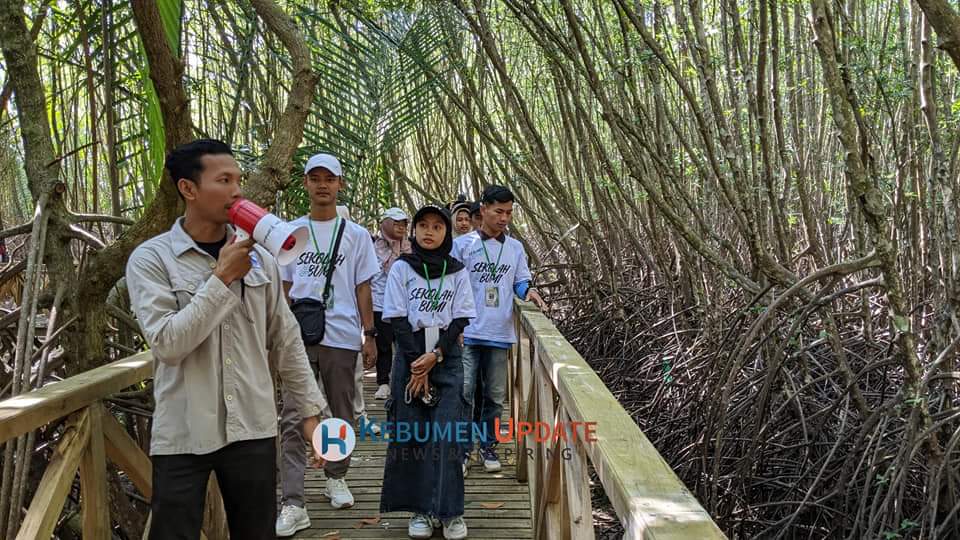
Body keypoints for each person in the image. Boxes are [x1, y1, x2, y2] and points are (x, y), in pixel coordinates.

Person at [125, 139, 326, 540]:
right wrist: (220, 280)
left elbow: (285, 339)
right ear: (189, 188)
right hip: (183, 430)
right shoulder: (152, 259)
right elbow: (167, 343)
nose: (237, 191)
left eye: (239, 180)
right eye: (224, 180)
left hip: (252, 426)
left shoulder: (263, 259)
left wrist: (310, 415)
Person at [276, 153, 380, 536]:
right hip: (297, 338)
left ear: (340, 185)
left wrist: (370, 335)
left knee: (340, 411)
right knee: (292, 415)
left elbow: (362, 286)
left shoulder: (355, 235)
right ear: (305, 183)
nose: (322, 185)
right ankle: (293, 501)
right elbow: (284, 288)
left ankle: (336, 476)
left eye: (329, 178)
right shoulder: (290, 232)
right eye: (315, 178)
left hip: (342, 334)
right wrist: (279, 337)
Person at [380, 205, 475, 540]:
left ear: (447, 232)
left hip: (446, 355)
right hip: (409, 353)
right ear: (414, 231)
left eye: (437, 226)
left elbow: (461, 318)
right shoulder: (402, 269)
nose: (430, 232)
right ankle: (420, 510)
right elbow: (396, 318)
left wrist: (434, 357)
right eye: (423, 225)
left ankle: (450, 513)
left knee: (447, 435)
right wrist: (416, 363)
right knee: (413, 434)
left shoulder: (457, 271)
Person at [453, 185, 545, 474]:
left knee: (494, 395)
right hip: (467, 332)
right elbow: (452, 284)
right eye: (498, 212)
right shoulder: (463, 245)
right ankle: (463, 449)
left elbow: (520, 281)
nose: (504, 218)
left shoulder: (515, 248)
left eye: (509, 213)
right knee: (464, 392)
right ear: (483, 210)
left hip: (499, 332)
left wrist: (528, 292)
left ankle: (488, 445)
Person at [371, 207, 411, 400]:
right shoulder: (372, 246)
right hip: (379, 302)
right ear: (385, 223)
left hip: (405, 304)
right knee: (383, 344)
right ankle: (383, 382)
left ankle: (405, 380)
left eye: (403, 223)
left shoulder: (410, 247)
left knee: (406, 343)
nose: (401, 227)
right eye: (396, 223)